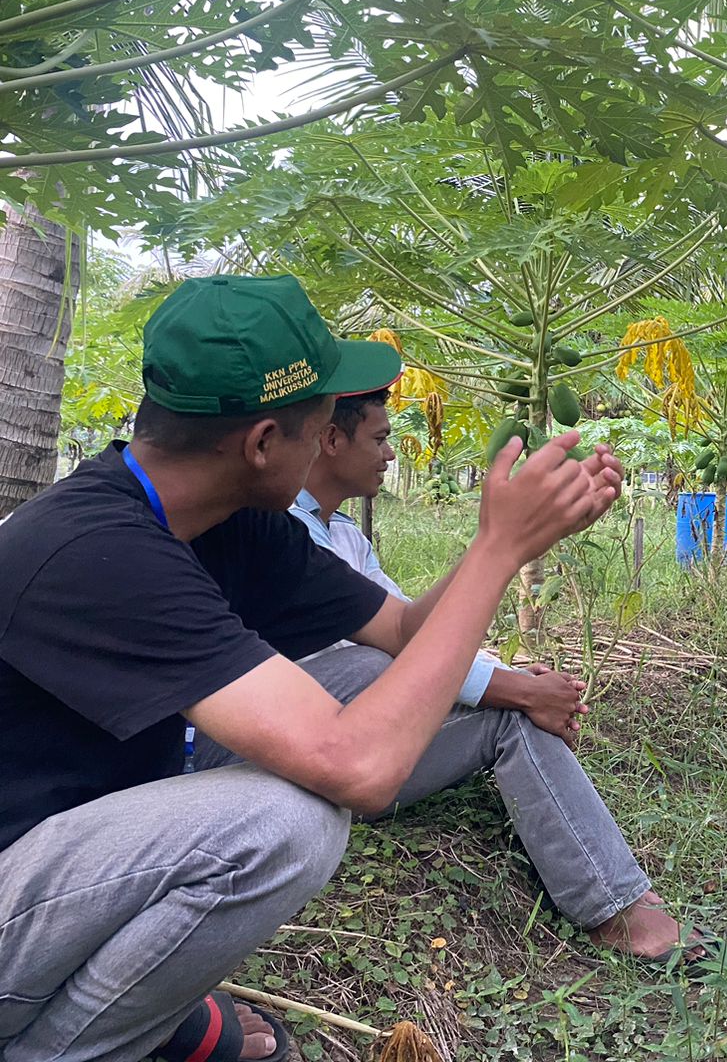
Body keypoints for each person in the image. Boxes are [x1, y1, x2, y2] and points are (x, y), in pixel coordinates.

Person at [0, 275, 657, 1062]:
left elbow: (408, 629)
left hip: (60, 861)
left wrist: (508, 536)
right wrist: (498, 553)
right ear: (263, 443)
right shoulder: (92, 552)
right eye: (319, 428)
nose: (328, 445)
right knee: (284, 827)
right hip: (18, 886)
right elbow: (359, 770)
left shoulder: (229, 521)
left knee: (340, 698)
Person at [275, 385, 695, 947]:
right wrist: (516, 687)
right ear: (330, 438)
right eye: (380, 439)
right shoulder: (283, 534)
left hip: (359, 743)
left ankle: (618, 899)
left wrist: (512, 668)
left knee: (505, 712)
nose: (392, 455)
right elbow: (393, 656)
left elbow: (413, 631)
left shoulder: (345, 534)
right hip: (296, 749)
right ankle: (618, 907)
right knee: (383, 668)